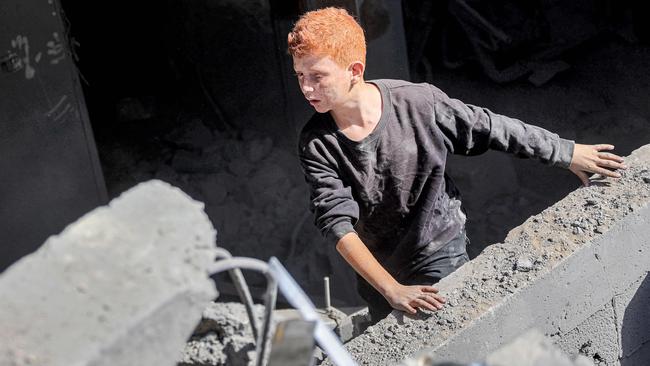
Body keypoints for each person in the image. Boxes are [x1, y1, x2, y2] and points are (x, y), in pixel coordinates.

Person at [288, 7, 626, 322]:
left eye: (317, 76)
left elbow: (492, 128)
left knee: (450, 337)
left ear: (355, 71)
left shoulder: (418, 104)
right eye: (300, 74)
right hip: (379, 271)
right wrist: (390, 289)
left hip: (439, 250)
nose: (306, 87)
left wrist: (566, 152)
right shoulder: (317, 142)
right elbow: (337, 223)